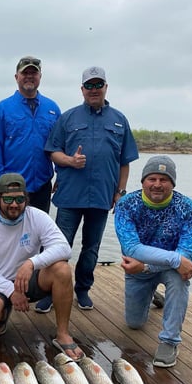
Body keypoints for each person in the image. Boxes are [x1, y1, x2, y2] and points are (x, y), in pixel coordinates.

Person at [35, 66, 138, 313]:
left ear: (105, 87)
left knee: (92, 247)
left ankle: (82, 290)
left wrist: (120, 192)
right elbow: (52, 152)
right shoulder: (68, 118)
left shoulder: (119, 120)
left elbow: (125, 161)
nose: (94, 90)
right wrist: (69, 160)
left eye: (98, 84)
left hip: (102, 196)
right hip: (70, 195)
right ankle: (49, 291)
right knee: (59, 245)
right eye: (89, 85)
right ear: (82, 89)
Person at [0, 173, 85, 361]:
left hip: (29, 281)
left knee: (62, 269)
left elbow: (63, 248)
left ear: (26, 199)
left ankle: (62, 334)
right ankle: (1, 314)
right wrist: (10, 291)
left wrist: (32, 263)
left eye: (19, 199)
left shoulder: (38, 217)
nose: (14, 204)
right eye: (8, 199)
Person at [115, 155, 192, 368]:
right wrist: (172, 259)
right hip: (139, 269)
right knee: (134, 323)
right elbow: (132, 248)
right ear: (143, 181)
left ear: (172, 183)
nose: (157, 185)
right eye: (152, 179)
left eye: (164, 180)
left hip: (163, 269)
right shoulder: (126, 205)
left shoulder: (187, 207)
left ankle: (169, 341)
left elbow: (186, 256)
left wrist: (147, 265)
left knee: (180, 277)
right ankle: (153, 294)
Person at [0, 56, 60, 213]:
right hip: (11, 188)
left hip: (42, 185)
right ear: (16, 77)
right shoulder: (3, 108)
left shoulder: (52, 108)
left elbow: (59, 146)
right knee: (9, 234)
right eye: (25, 73)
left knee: (38, 234)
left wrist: (61, 176)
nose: (29, 76)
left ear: (40, 76)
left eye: (34, 73)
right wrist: (2, 181)